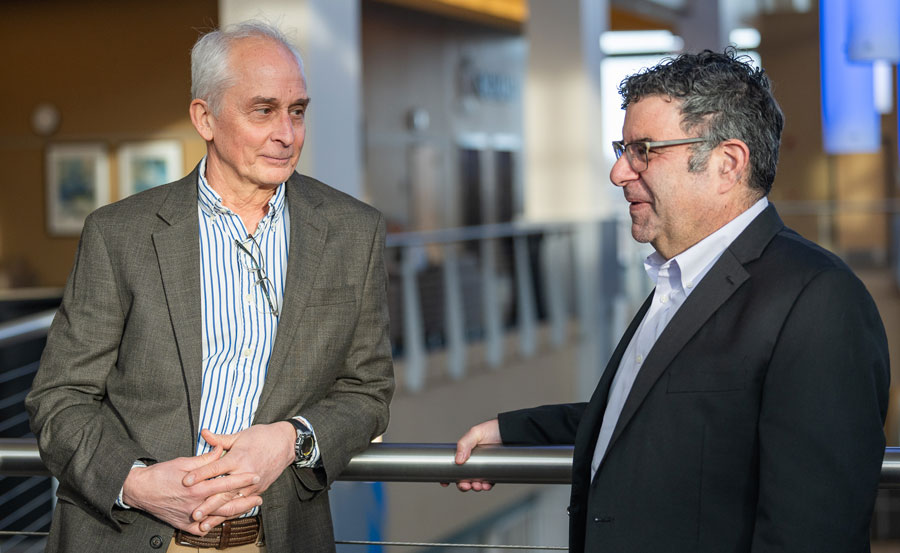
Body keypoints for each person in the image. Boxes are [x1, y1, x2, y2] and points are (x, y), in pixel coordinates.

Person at [452, 49, 890, 553]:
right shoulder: (679, 278)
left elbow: (814, 533)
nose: (619, 172)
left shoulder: (818, 298)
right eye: (623, 149)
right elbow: (660, 413)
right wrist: (516, 432)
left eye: (644, 150)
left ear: (727, 164)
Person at [25, 21, 394, 553]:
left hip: (275, 538)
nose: (286, 134)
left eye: (297, 111)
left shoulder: (353, 232)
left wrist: (291, 439)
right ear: (205, 118)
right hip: (127, 536)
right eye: (263, 110)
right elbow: (60, 398)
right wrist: (136, 483)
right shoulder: (120, 234)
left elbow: (368, 391)